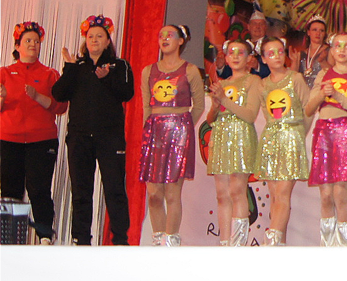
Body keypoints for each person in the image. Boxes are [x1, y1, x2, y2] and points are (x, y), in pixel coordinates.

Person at [52, 15, 134, 246]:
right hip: (79, 138)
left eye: (100, 36)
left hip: (110, 138)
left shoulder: (120, 65)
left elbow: (127, 93)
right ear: (85, 41)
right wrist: (69, 68)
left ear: (108, 41)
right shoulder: (77, 67)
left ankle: (120, 240)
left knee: (114, 189)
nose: (95, 40)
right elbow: (58, 94)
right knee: (81, 192)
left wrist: (107, 78)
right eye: (90, 36)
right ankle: (81, 239)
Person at [0, 22, 66, 244]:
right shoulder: (4, 73)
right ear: (17, 46)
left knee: (39, 190)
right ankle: (9, 238)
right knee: (10, 191)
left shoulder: (50, 74)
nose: (33, 44)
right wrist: (2, 98)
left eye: (36, 41)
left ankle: (45, 237)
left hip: (42, 140)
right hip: (9, 140)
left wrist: (38, 97)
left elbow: (61, 106)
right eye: (28, 41)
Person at [139, 25, 205, 246]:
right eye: (161, 35)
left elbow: (199, 106)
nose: (164, 38)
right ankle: (158, 241)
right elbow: (146, 106)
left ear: (180, 41)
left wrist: (183, 128)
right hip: (154, 132)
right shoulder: (148, 71)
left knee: (172, 193)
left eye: (170, 35)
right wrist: (148, 131)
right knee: (154, 194)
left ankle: (171, 242)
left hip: (179, 133)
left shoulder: (190, 71)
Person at [304, 32, 347, 247]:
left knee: (340, 192)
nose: (342, 50)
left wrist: (337, 96)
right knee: (326, 194)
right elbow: (309, 109)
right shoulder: (323, 74)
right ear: (331, 49)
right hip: (323, 133)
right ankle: (327, 245)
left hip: (345, 131)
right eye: (337, 46)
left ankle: (344, 245)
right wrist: (321, 94)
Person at [252, 37, 311, 245]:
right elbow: (266, 113)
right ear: (263, 58)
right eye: (271, 53)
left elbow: (309, 108)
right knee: (275, 196)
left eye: (280, 51)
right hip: (271, 140)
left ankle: (271, 240)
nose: (276, 56)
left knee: (283, 193)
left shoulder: (295, 78)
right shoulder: (262, 85)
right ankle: (280, 245)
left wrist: (298, 133)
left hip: (291, 138)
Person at [207, 40, 260, 246]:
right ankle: (224, 243)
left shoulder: (253, 81)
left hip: (241, 137)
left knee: (238, 190)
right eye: (231, 53)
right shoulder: (222, 84)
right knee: (222, 194)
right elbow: (211, 119)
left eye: (241, 52)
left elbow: (250, 115)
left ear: (249, 58)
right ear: (226, 58)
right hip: (221, 137)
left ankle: (238, 244)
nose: (235, 56)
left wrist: (224, 100)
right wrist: (215, 105)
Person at [292, 15, 328, 88]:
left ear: (325, 34)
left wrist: (323, 62)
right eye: (314, 30)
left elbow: (333, 74)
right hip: (302, 90)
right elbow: (292, 76)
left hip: (321, 90)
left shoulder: (329, 51)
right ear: (308, 32)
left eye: (321, 30)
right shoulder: (300, 54)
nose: (318, 33)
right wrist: (294, 61)